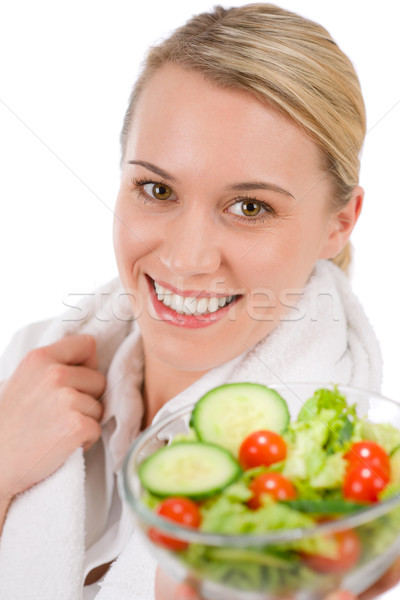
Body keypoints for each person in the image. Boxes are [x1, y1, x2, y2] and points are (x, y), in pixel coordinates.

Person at [0, 3, 398, 599]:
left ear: (339, 223)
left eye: (250, 208)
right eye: (156, 189)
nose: (187, 259)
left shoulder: (328, 504)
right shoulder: (31, 367)